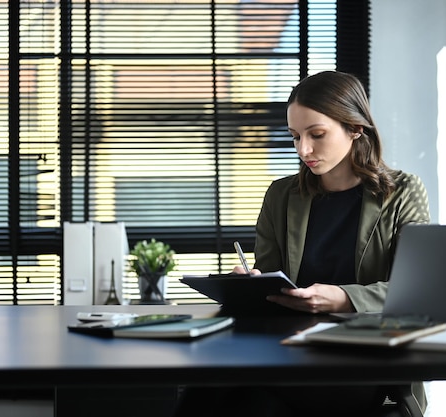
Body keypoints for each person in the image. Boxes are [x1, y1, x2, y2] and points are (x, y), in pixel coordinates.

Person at [172, 71, 431, 417]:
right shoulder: (282, 195)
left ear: (355, 128)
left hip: (368, 357)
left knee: (221, 387)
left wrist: (344, 298)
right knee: (227, 390)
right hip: (288, 351)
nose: (303, 149)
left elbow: (416, 292)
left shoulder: (402, 191)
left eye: (317, 134)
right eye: (295, 137)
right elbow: (270, 281)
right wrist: (249, 285)